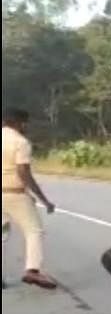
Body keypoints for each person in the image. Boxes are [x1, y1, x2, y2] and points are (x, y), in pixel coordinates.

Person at [2, 107, 57, 290]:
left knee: (2, 234)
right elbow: (23, 172)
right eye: (26, 123)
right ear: (19, 123)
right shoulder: (21, 142)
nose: (27, 126)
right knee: (34, 231)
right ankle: (32, 271)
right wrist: (43, 199)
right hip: (14, 194)